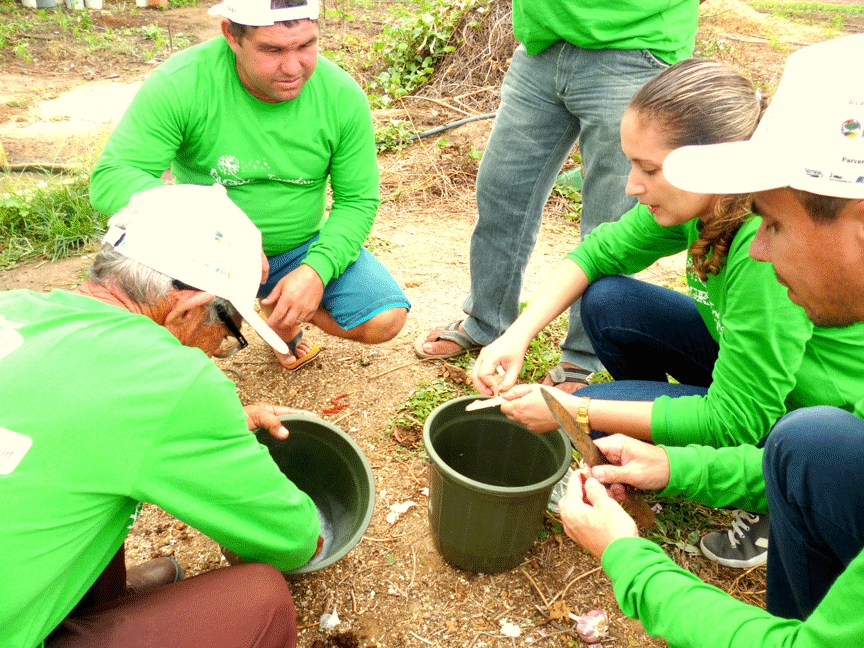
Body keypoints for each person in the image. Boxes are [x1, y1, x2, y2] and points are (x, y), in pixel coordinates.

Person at [471, 56, 864, 569]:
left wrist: (577, 410)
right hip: (750, 368)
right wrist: (516, 335)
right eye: (632, 164)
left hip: (806, 417)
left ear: (709, 164)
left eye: (650, 169)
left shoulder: (762, 252)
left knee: (590, 415)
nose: (632, 185)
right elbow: (597, 253)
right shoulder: (701, 205)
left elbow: (736, 417)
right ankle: (668, 439)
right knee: (609, 301)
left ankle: (765, 488)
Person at [557, 34, 864, 646]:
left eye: (775, 223)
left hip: (778, 402)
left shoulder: (759, 271)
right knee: (809, 444)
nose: (758, 245)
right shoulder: (705, 212)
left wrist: (627, 558)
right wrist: (676, 466)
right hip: (786, 412)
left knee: (807, 435)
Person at [0, 184, 325, 648]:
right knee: (261, 598)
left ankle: (102, 603)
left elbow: (71, 431)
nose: (219, 350)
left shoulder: (13, 308)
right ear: (190, 310)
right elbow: (294, 541)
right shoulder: (170, 379)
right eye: (230, 329)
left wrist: (205, 432)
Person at [90, 0, 410, 372]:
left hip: (295, 249)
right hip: (200, 250)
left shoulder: (340, 95)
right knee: (171, 344)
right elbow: (112, 177)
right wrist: (224, 228)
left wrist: (316, 271)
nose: (293, 67)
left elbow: (357, 200)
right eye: (272, 50)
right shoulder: (183, 82)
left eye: (306, 46)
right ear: (231, 34)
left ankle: (279, 307)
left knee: (384, 319)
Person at [416, 0, 702, 393]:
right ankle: (488, 322)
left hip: (636, 45)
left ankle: (581, 356)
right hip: (543, 41)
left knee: (611, 219)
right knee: (501, 192)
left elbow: (610, 245)